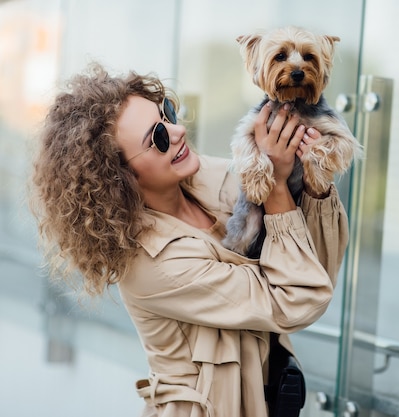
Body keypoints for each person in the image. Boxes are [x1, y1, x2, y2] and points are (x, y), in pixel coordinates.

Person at [30, 62, 349, 417]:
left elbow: (315, 268)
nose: (178, 131)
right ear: (119, 178)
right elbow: (295, 300)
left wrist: (314, 182)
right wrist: (273, 183)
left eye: (167, 113)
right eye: (158, 139)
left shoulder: (208, 178)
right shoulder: (153, 265)